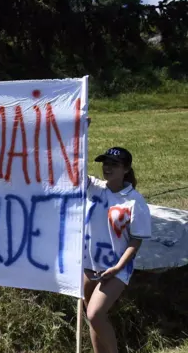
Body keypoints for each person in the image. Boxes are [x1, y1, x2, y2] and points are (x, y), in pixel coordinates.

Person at [82, 141, 152, 353]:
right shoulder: (93, 187)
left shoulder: (134, 201)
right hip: (89, 265)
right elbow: (74, 167)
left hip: (116, 269)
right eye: (105, 162)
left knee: (96, 314)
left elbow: (135, 241)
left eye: (114, 163)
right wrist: (80, 132)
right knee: (92, 318)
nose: (107, 167)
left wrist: (118, 267)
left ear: (126, 169)